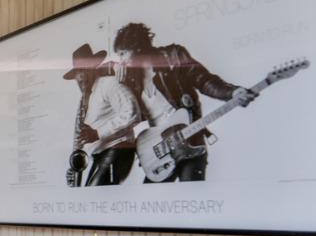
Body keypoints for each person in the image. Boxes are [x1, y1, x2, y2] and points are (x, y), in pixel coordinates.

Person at [110, 22, 257, 183]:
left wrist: (232, 92)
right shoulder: (132, 79)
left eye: (123, 53)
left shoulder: (173, 56)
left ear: (136, 47)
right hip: (161, 148)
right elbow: (129, 119)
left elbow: (203, 80)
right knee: (152, 200)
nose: (121, 60)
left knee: (192, 196)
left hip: (190, 138)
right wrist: (120, 87)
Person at [63, 43, 139, 186]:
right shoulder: (83, 102)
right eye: (77, 73)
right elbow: (79, 140)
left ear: (93, 68)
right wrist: (74, 168)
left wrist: (99, 133)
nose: (80, 77)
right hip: (99, 155)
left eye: (84, 70)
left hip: (119, 149)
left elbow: (132, 112)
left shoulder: (109, 84)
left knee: (93, 193)